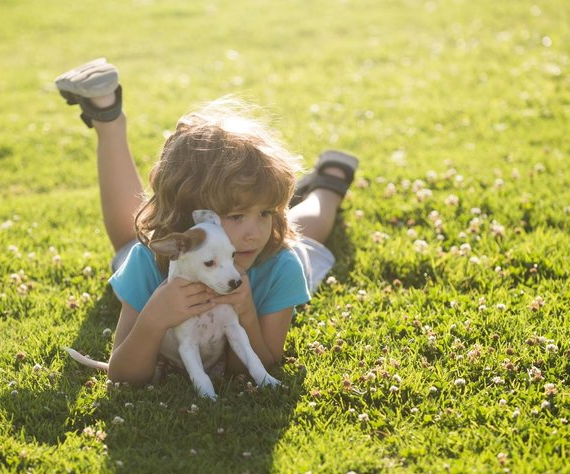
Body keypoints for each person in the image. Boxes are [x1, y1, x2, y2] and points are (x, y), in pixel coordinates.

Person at [55, 58, 358, 387]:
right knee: (130, 242)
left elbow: (256, 367)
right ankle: (107, 116)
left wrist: (246, 314)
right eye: (235, 216)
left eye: (266, 213)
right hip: (175, 249)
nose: (253, 232)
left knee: (303, 236)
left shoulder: (280, 265)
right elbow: (124, 377)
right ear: (193, 215)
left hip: (281, 255)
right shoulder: (148, 261)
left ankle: (329, 183)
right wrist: (153, 319)